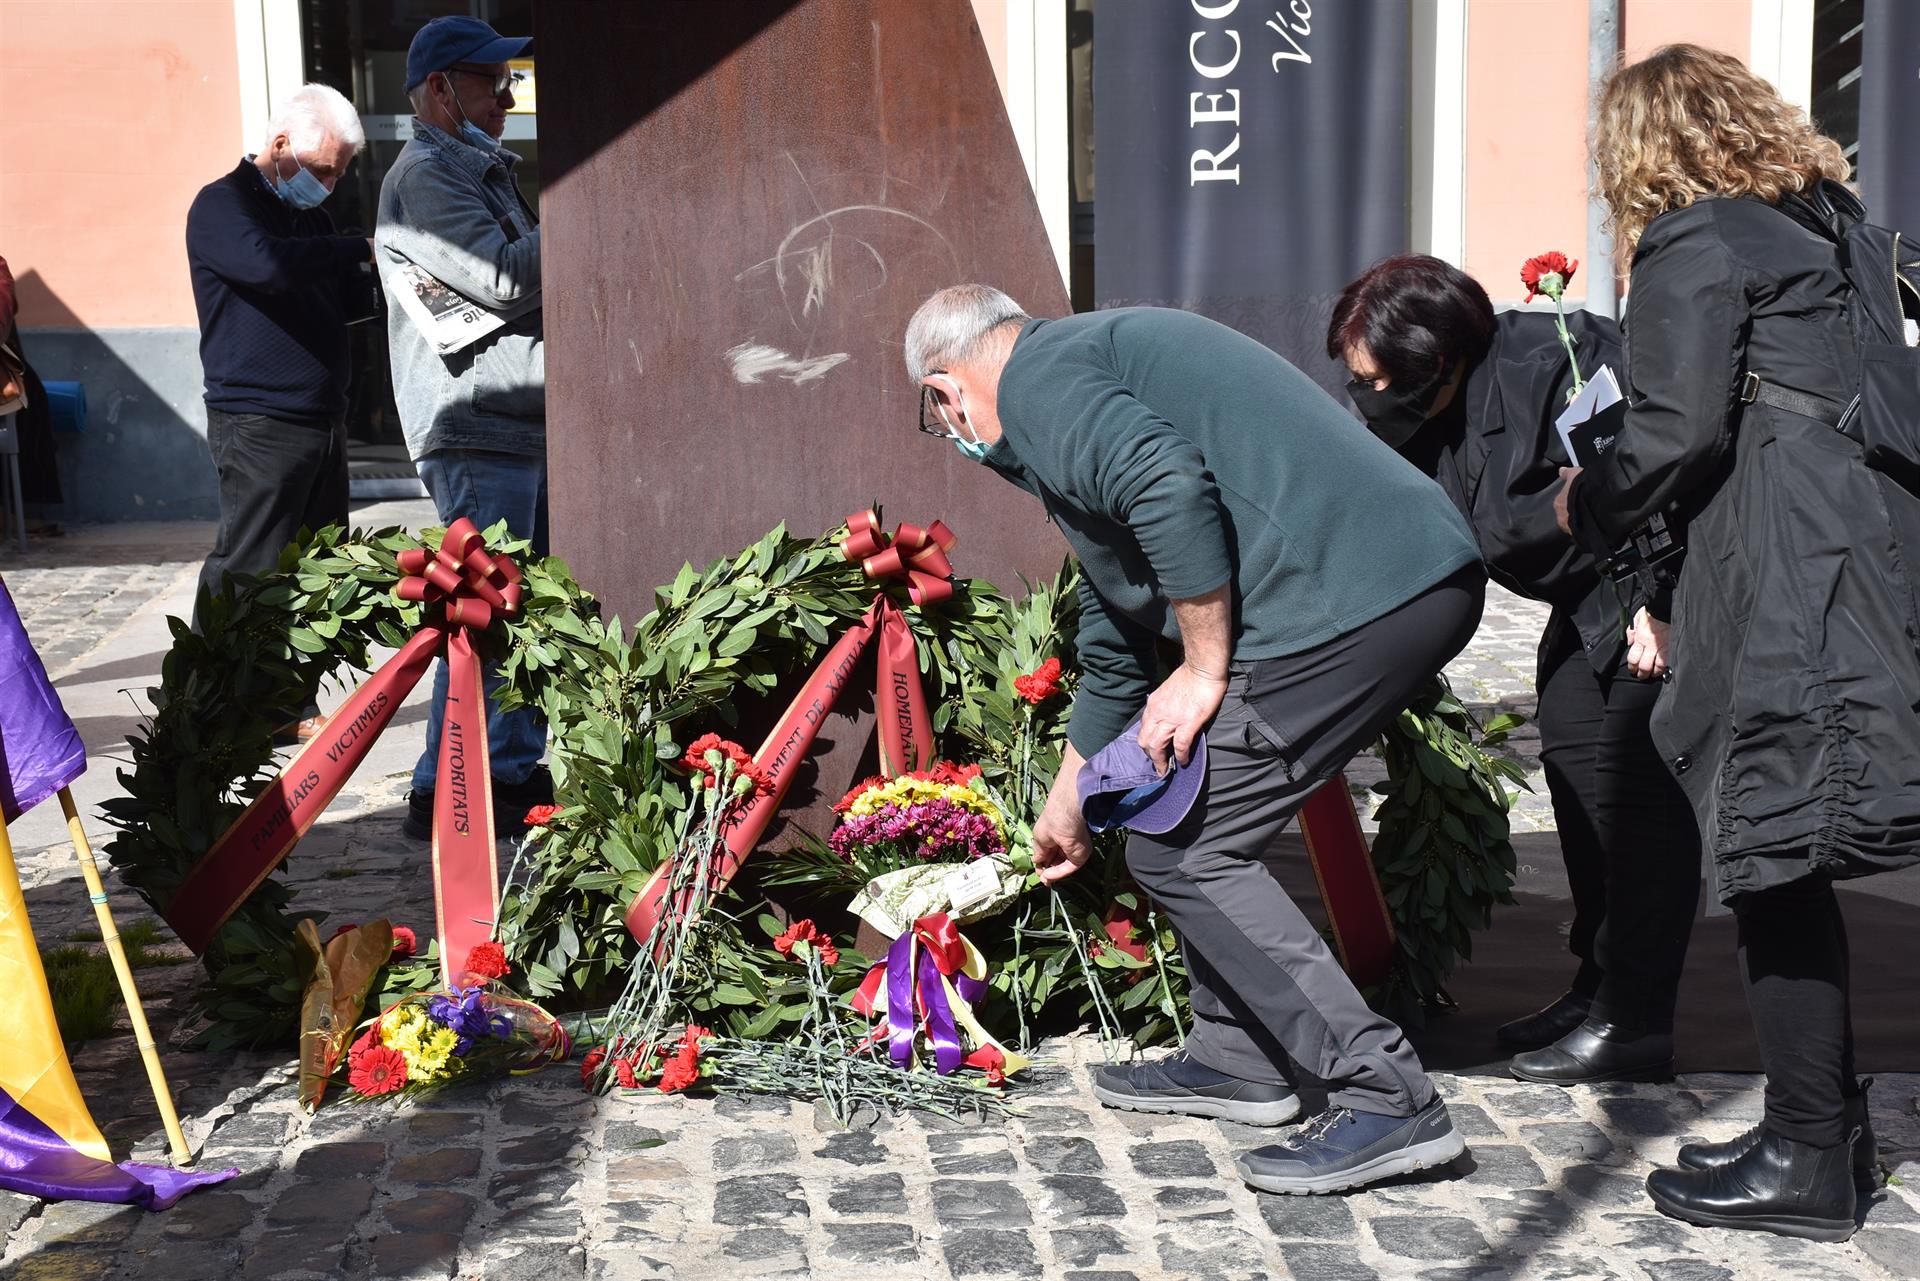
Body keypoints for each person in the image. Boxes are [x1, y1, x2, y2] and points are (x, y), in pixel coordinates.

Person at [904, 284, 1484, 1195]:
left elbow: (1165, 484)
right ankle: (1238, 1055)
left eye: (941, 423)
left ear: (947, 391)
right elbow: (1118, 625)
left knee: (1189, 846)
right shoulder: (1077, 378)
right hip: (1384, 586)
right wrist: (1071, 792)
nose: (963, 444)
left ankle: (1386, 1098)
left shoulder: (1041, 379)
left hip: (1357, 595)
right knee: (1177, 825)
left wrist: (1206, 664)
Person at [1557, 44, 1919, 1242]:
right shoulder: (1833, 223)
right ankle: (1826, 1128)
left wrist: (1582, 505)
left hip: (1785, 565)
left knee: (1776, 844)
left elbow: (1668, 430)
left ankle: (1810, 1153)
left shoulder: (1698, 239)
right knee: (1796, 842)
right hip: (1871, 543)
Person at [1326, 257, 1700, 1084]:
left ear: (1438, 361)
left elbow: (1661, 478)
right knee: (1568, 759)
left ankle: (1637, 1018)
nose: (1366, 397)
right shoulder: (1419, 410)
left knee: (1633, 800)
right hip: (1582, 604)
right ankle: (1599, 981)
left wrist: (1663, 602)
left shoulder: (1557, 366)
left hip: (1650, 599)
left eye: (1378, 378)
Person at [377, 16, 549, 838]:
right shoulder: (425, 177)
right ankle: (442, 787)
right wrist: (582, 224)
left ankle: (507, 772)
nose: (506, 97)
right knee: (480, 612)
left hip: (513, 419)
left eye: (509, 81)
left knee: (515, 613)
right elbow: (504, 278)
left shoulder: (478, 168)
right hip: (476, 427)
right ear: (442, 89)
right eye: (492, 82)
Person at [186, 84, 376, 741]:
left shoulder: (314, 221)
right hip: (259, 420)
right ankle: (205, 702)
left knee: (316, 566)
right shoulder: (222, 205)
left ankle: (283, 704)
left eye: (343, 169)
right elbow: (266, 268)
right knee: (249, 564)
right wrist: (355, 247)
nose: (333, 182)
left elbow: (342, 297)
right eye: (325, 168)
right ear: (278, 146)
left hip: (321, 416)